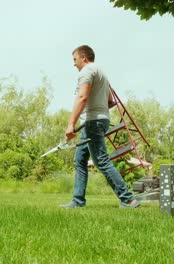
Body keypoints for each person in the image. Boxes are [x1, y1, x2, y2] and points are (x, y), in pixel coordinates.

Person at [60, 45, 140, 208]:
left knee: (101, 160)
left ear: (84, 57)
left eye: (75, 60)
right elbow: (110, 100)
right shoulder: (101, 73)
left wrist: (70, 125)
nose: (74, 64)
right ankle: (78, 200)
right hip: (99, 120)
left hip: (93, 122)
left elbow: (82, 97)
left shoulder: (87, 72)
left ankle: (128, 199)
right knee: (80, 159)